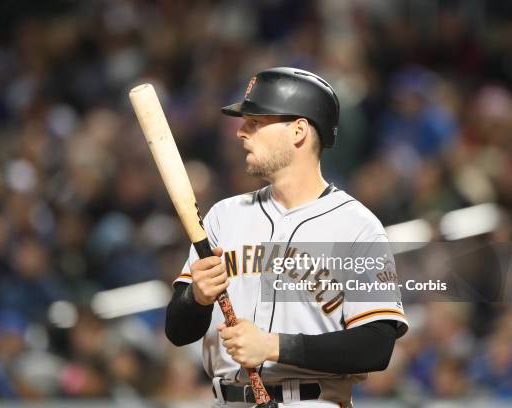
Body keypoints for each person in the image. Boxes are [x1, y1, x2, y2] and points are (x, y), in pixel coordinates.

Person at [165, 67, 408, 407]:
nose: (241, 132)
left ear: (298, 131)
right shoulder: (224, 216)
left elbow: (377, 345)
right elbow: (178, 332)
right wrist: (196, 298)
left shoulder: (356, 226)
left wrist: (275, 346)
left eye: (256, 122)